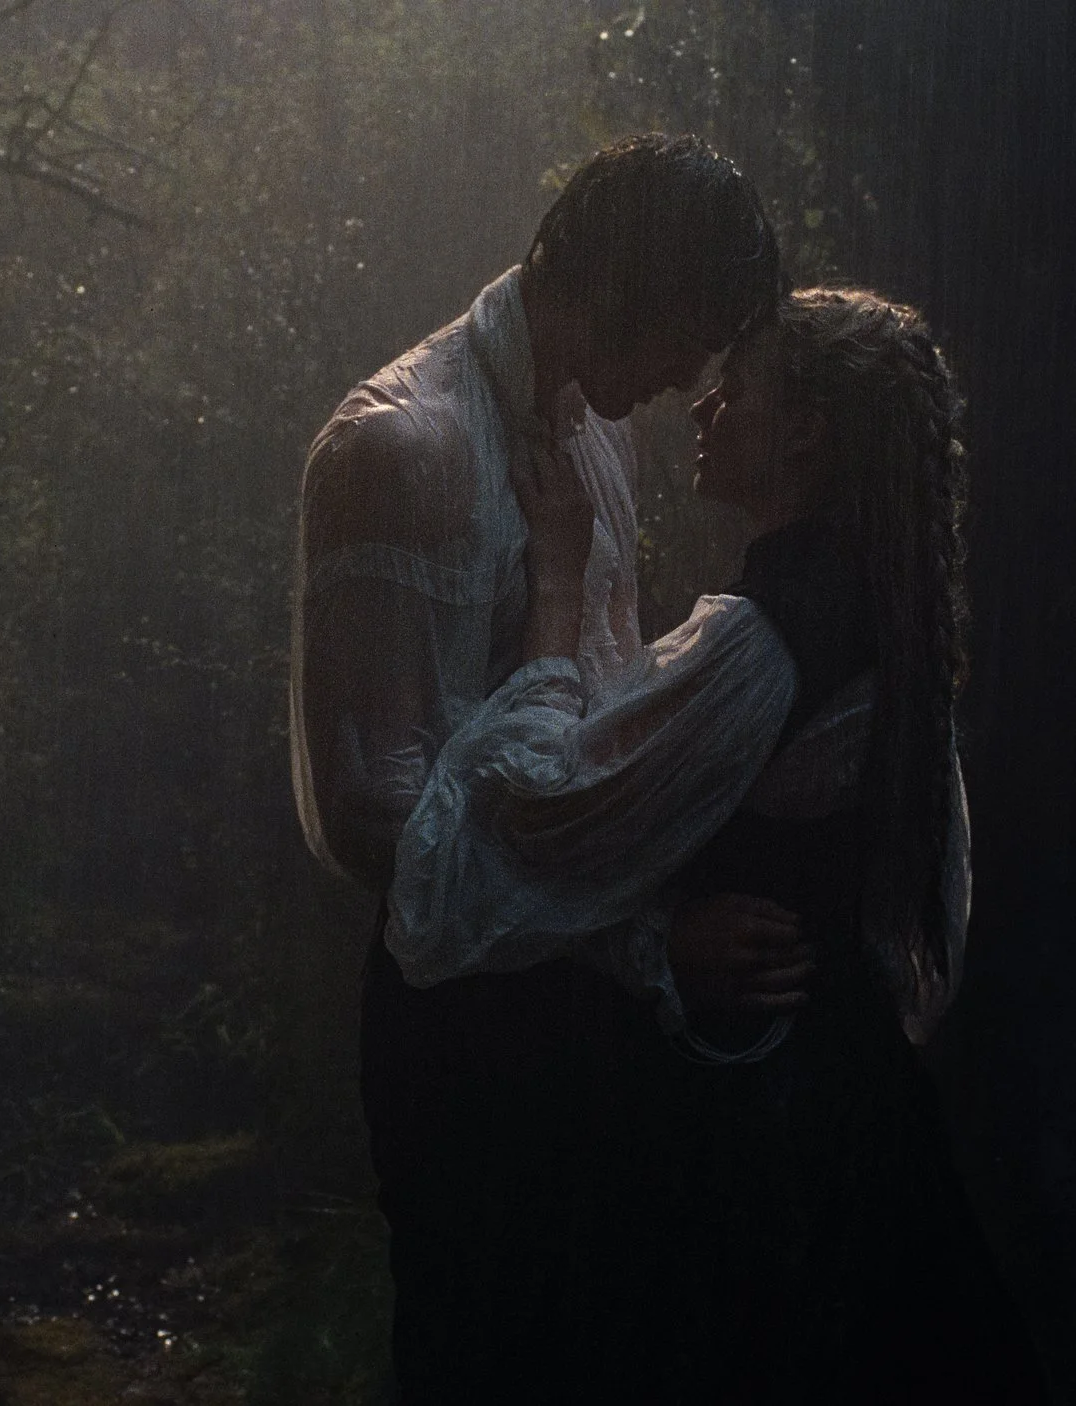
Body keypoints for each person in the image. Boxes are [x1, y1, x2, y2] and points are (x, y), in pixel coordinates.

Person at [391, 287, 1049, 1401]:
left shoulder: (764, 636)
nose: (701, 404)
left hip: (765, 1137)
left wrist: (557, 575)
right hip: (851, 1106)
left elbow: (545, 808)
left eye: (733, 387)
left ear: (802, 431)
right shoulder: (879, 599)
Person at [287, 134, 797, 1401]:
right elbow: (382, 827)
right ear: (630, 281)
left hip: (586, 1017)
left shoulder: (594, 437)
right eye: (693, 329)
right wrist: (641, 948)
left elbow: (591, 743)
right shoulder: (398, 448)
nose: (694, 376)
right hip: (461, 1026)